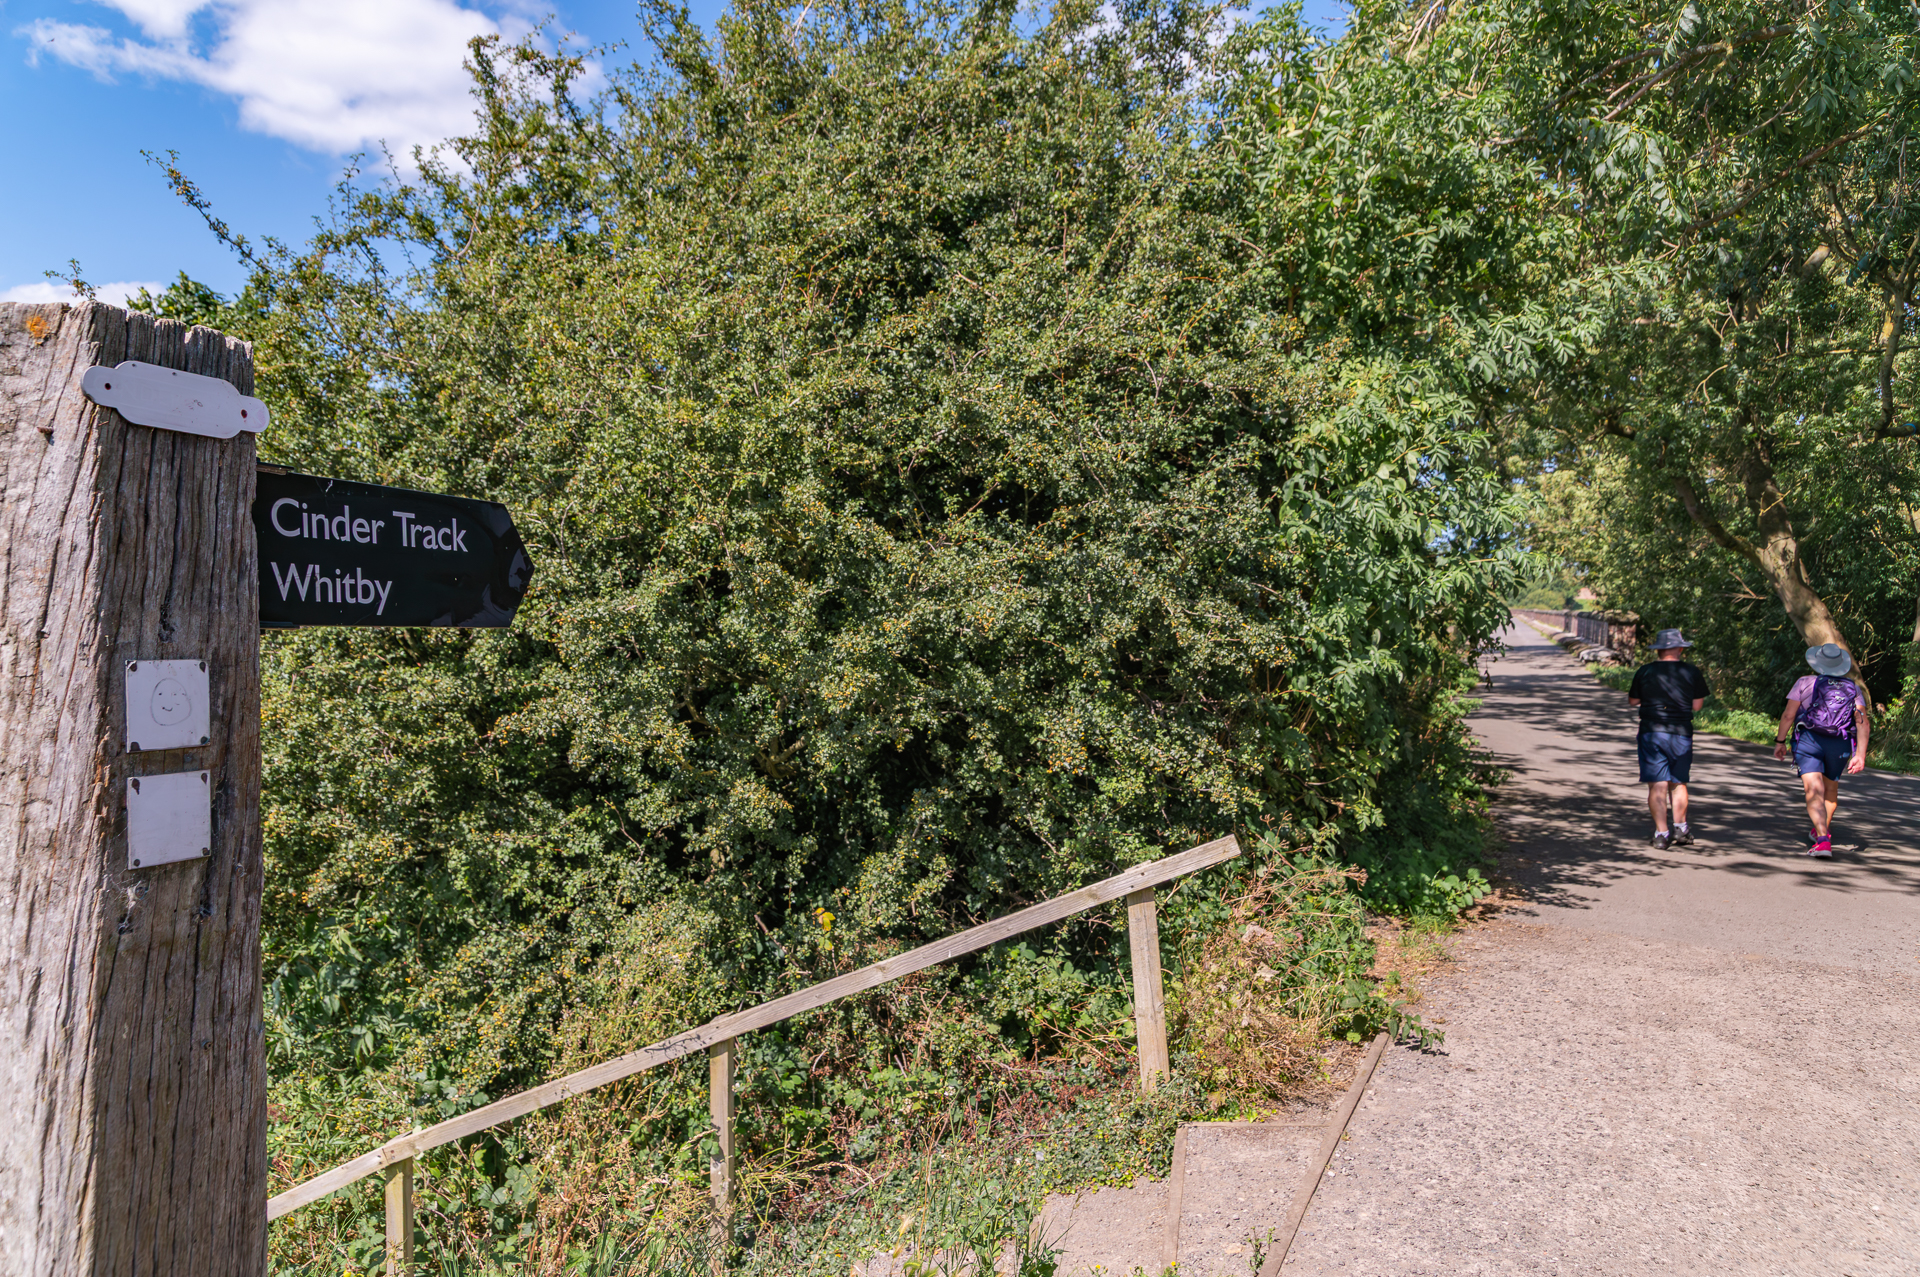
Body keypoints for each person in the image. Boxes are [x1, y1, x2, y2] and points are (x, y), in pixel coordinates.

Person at [1771, 642, 1871, 859]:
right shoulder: (1853, 688)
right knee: (1831, 790)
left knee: (1813, 789)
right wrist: (1860, 755)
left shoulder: (1805, 682)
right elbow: (1862, 721)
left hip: (1809, 740)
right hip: (1840, 744)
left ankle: (1823, 840)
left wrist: (1780, 741)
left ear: (1817, 662)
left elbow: (1789, 715)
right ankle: (1820, 831)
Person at [1627, 628, 1709, 849]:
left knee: (1658, 784)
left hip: (1652, 731)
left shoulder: (1645, 672)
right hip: (1681, 732)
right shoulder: (1692, 672)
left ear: (1659, 650)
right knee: (1678, 782)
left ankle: (1661, 834)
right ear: (1681, 648)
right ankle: (1681, 828)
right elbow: (1697, 705)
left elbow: (1633, 701)